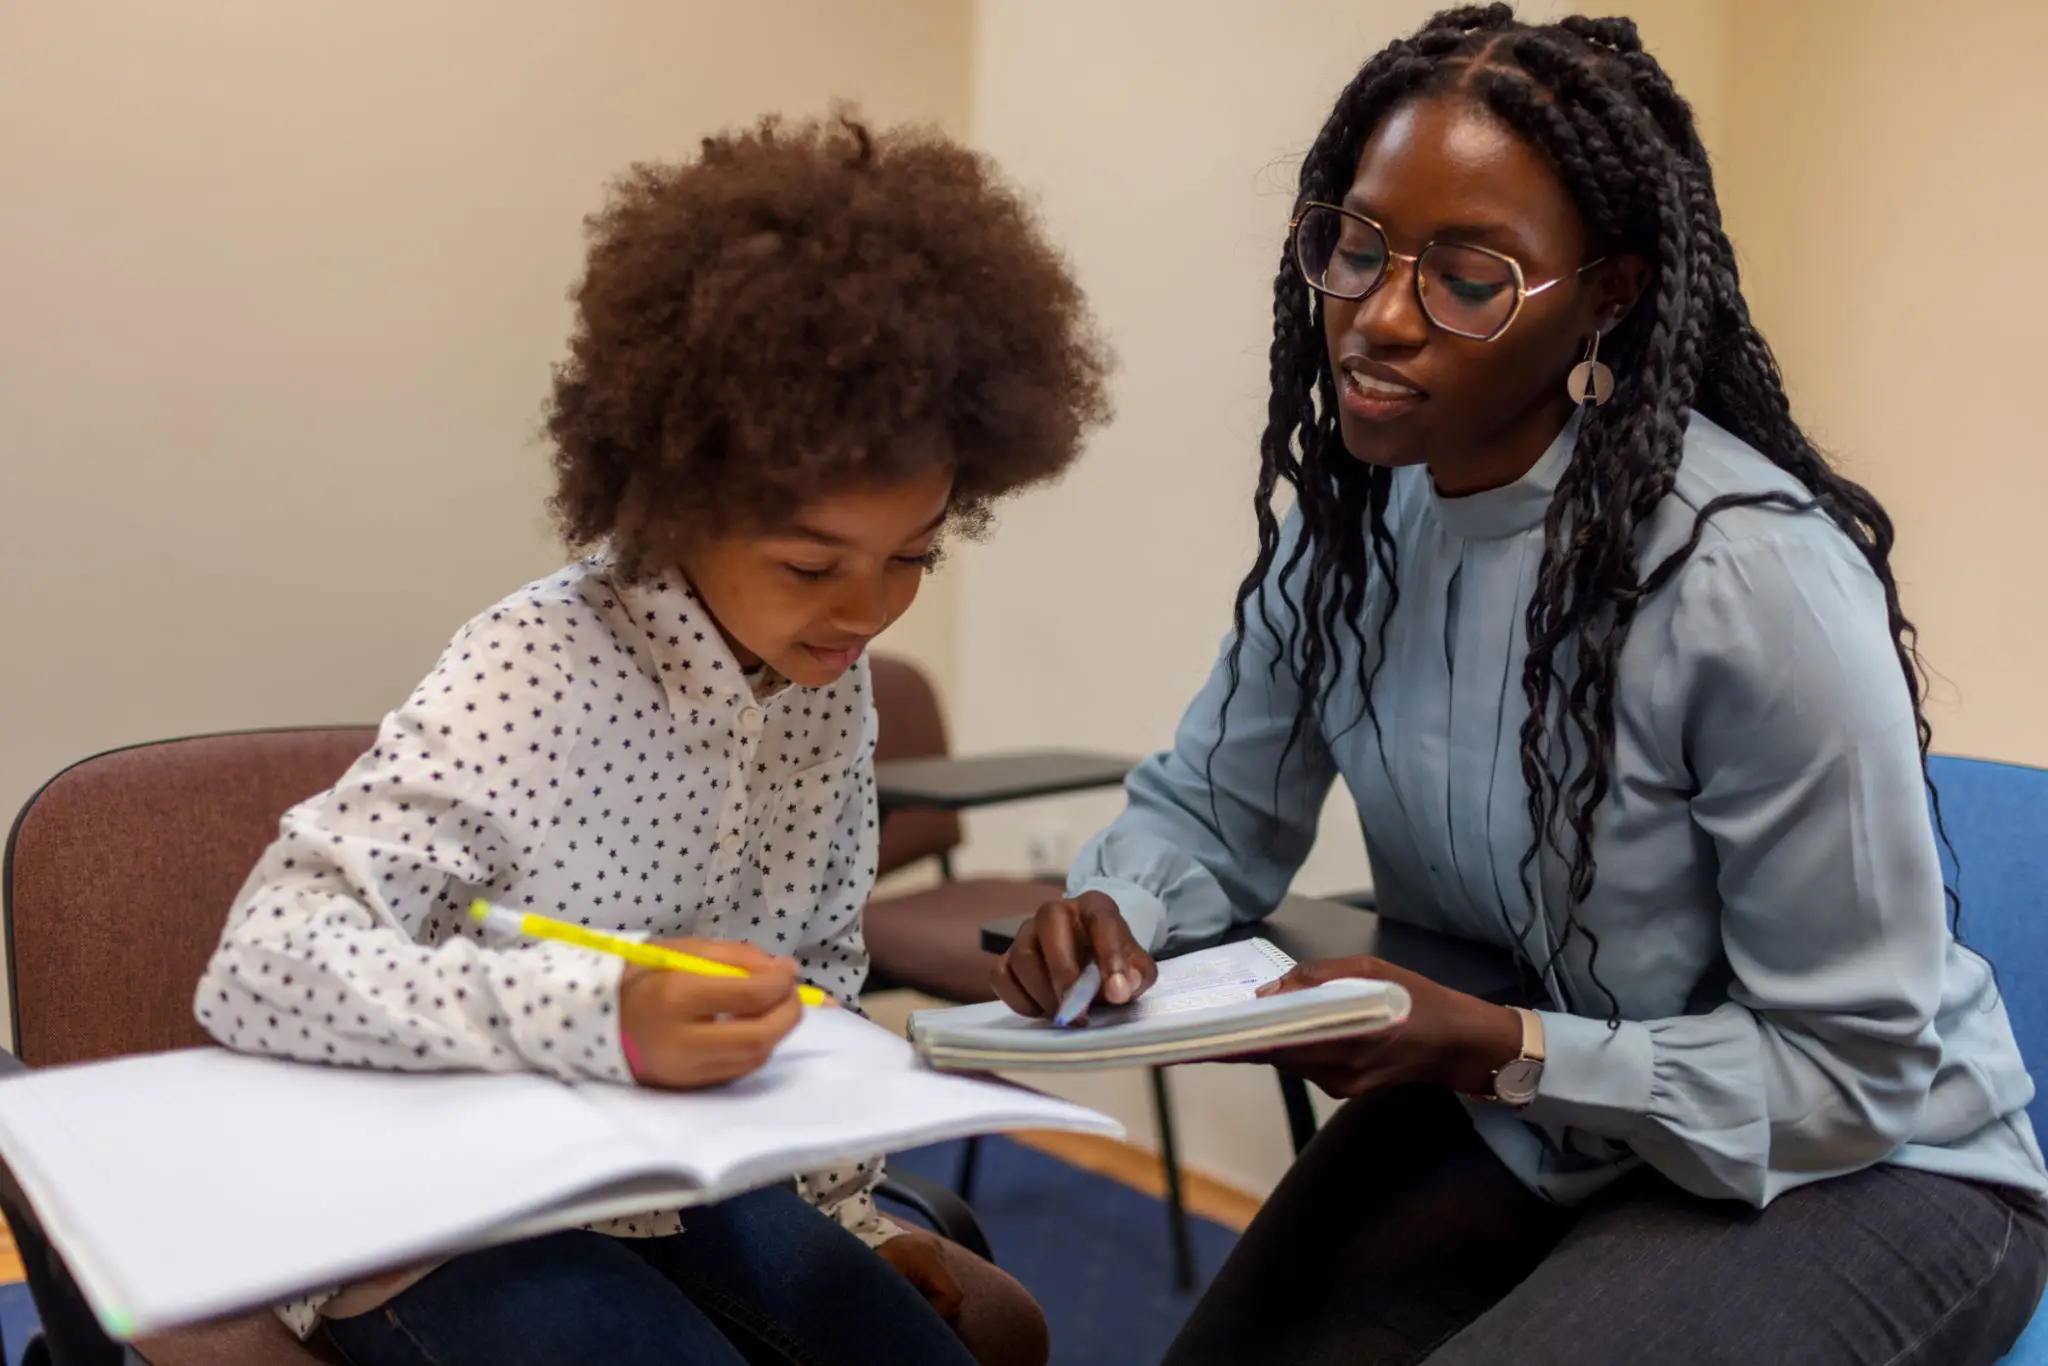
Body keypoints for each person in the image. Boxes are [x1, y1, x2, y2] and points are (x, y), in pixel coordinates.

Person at [992, 8, 2048, 1364]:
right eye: (1356, 246)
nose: (1375, 316)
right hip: (1548, 1111)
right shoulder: (1354, 525)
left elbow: (1853, 1072)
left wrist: (1500, 1046)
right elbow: (1211, 807)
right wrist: (1114, 905)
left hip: (1872, 1161)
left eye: (1468, 278)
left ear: (1607, 293)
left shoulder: (1749, 580)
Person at [196, 111, 1109, 1366]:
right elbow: (264, 965)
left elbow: (815, 974)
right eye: (808, 563)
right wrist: (599, 1013)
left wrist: (844, 1216)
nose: (865, 611)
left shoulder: (822, 687)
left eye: (912, 556)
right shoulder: (537, 666)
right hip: (447, 1207)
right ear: (676, 498)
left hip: (668, 1181)